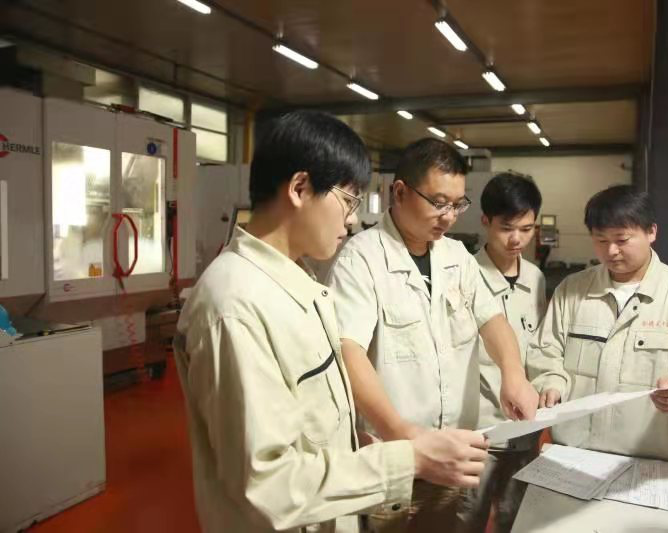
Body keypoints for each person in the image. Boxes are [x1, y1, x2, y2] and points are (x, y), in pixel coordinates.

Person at [173, 111, 489, 533]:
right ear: (300, 188)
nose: (353, 219)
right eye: (348, 200)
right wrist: (408, 458)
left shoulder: (298, 282)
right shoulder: (236, 305)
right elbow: (268, 485)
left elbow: (312, 425)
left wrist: (355, 446)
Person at [327, 138, 539, 532]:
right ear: (400, 192)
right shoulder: (362, 258)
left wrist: (513, 374)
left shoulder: (456, 257)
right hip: (395, 458)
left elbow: (492, 320)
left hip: (452, 452)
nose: (449, 217)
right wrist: (403, 436)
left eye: (457, 205)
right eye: (439, 203)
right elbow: (348, 350)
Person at [528, 185, 668, 462]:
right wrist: (551, 382)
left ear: (651, 232)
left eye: (622, 240)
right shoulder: (572, 290)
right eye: (601, 240)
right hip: (573, 452)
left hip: (649, 459)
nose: (611, 251)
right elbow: (545, 350)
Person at [458, 173, 547, 533]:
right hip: (479, 431)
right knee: (467, 519)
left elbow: (539, 348)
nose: (516, 240)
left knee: (516, 518)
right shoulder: (464, 275)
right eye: (506, 228)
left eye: (526, 229)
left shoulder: (536, 278)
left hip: (525, 428)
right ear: (486, 221)